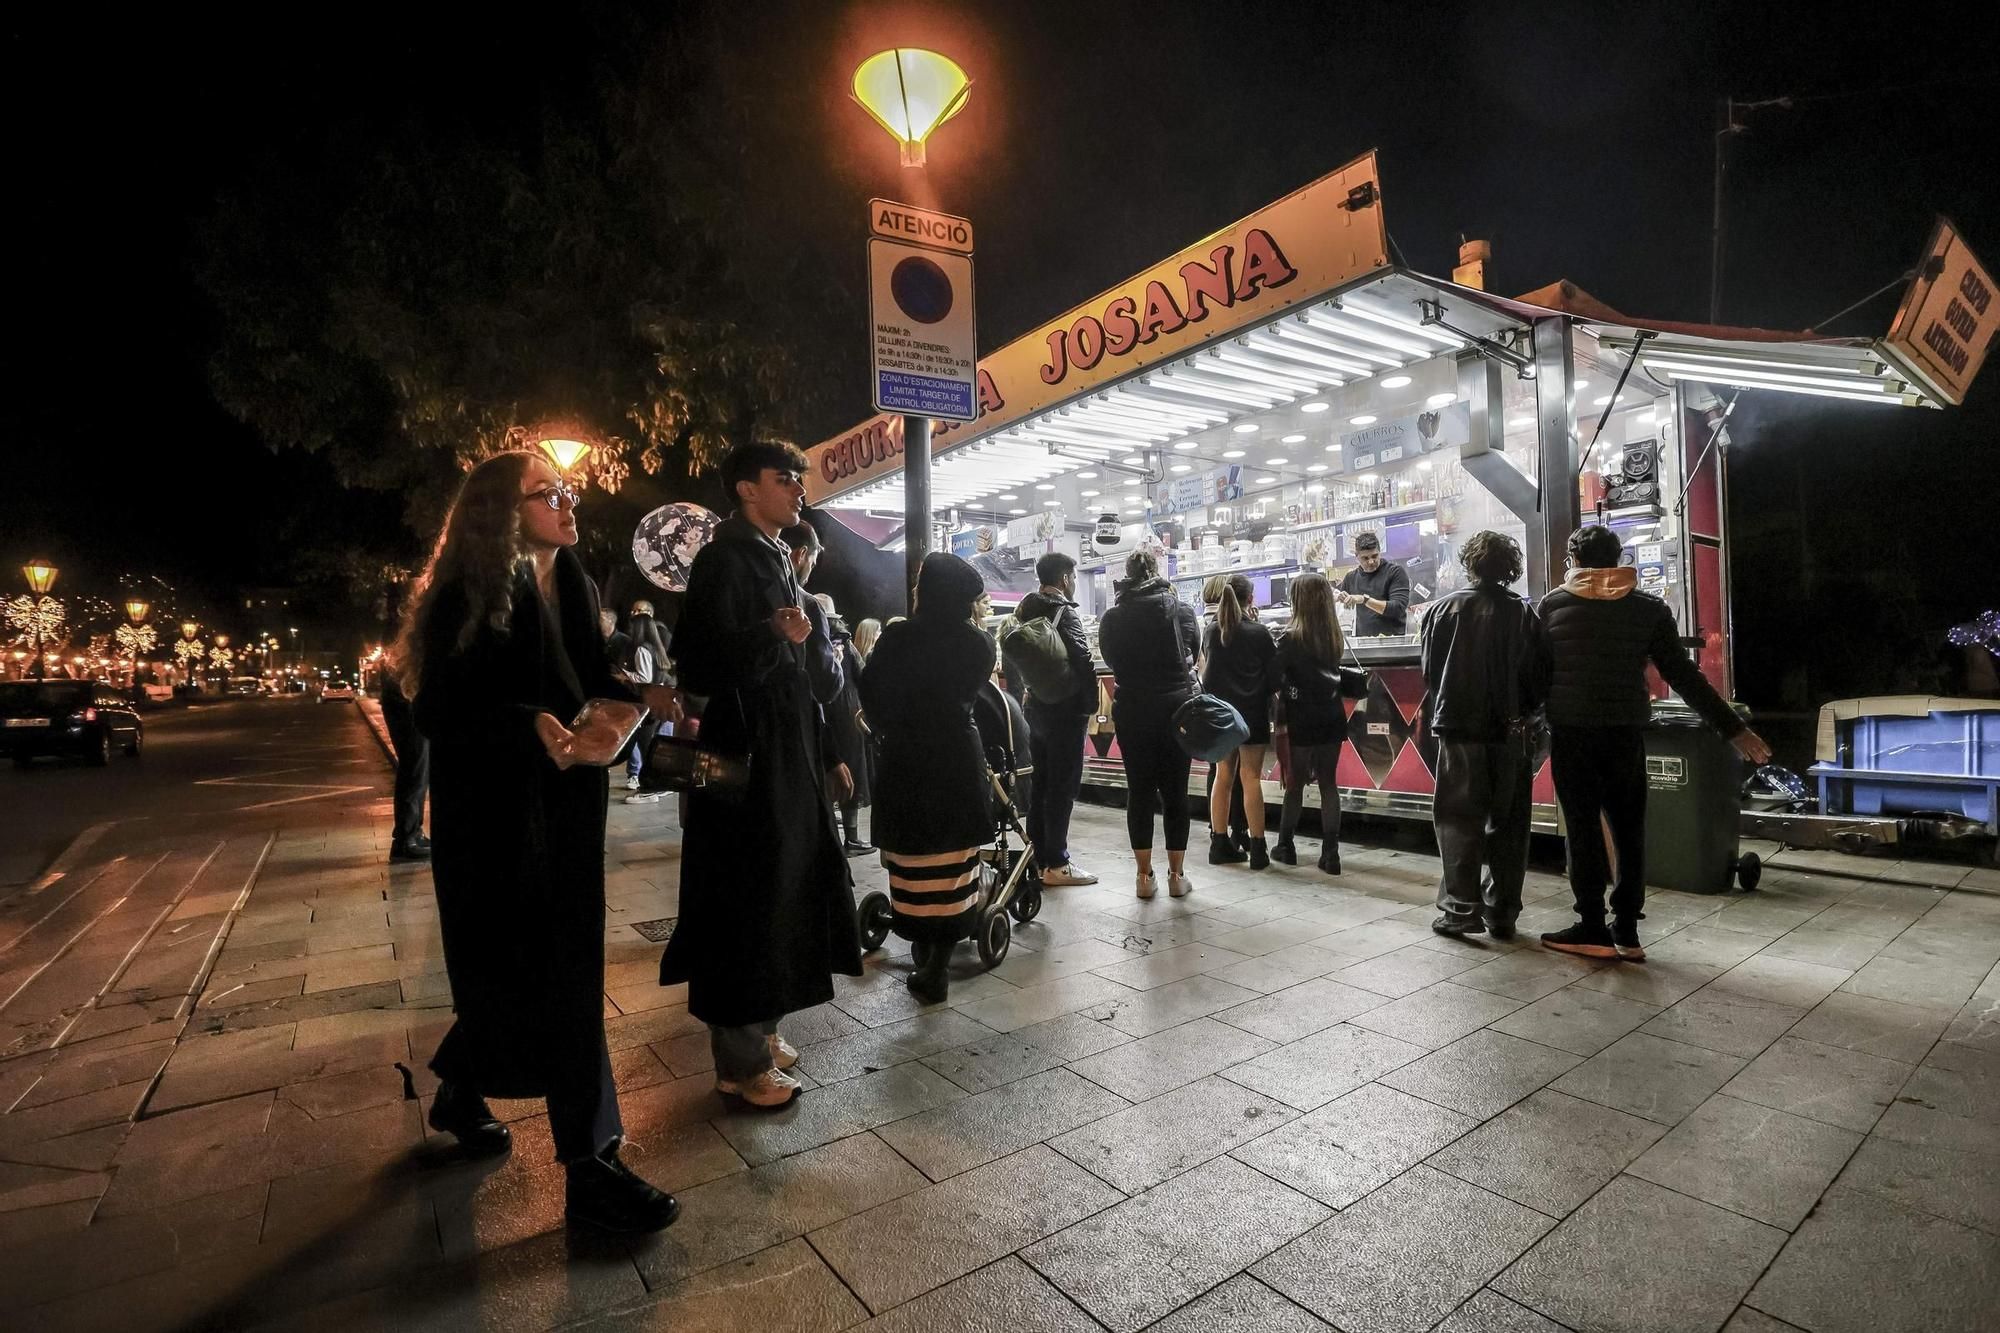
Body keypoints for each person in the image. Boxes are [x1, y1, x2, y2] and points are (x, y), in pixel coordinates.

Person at [396, 450, 683, 1233]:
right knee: (543, 976)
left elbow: (593, 678)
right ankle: (592, 1168)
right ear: (500, 509)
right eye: (544, 492)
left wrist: (637, 703)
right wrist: (526, 724)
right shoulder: (469, 589)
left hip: (567, 812)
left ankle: (462, 1088)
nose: (565, 501)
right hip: (492, 823)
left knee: (549, 972)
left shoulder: (578, 582)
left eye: (567, 490)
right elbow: (437, 711)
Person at [662, 441, 863, 1110]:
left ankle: (763, 1030)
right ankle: (740, 1060)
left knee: (783, 886)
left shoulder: (777, 557)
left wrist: (804, 643)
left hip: (784, 751)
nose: (799, 489)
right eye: (786, 479)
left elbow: (813, 666)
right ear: (748, 490)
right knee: (744, 894)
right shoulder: (724, 559)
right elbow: (698, 667)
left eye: (800, 479)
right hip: (745, 756)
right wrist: (770, 634)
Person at [1538, 525, 1772, 961]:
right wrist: (1732, 727)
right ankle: (1626, 929)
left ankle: (1591, 927)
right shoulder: (1647, 608)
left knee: (1584, 830)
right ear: (1619, 558)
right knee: (1629, 830)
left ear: (1573, 561)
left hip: (1573, 734)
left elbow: (1536, 676)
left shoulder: (1552, 605)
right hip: (1626, 734)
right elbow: (1684, 677)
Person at [861, 554, 997, 1002]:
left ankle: (924, 951)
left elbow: (873, 698)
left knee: (914, 861)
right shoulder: (979, 645)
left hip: (907, 762)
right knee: (954, 862)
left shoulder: (898, 637)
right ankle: (937, 962)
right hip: (957, 759)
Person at [1421, 530, 1548, 941]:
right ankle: (1503, 911)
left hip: (1458, 728)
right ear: (1509, 568)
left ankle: (1460, 910)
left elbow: (1430, 673)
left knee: (1459, 818)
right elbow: (1537, 677)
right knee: (1510, 825)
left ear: (1469, 564)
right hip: (1511, 731)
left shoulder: (1442, 610)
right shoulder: (1525, 614)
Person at [1098, 548, 1201, 900]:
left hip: (1133, 709)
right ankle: (1177, 875)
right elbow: (1193, 653)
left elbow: (1110, 660)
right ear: (1158, 571)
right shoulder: (1182, 610)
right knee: (1176, 792)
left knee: (1139, 791)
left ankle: (1144, 877)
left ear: (1127, 575)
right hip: (1177, 710)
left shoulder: (1113, 617)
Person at [1014, 552, 1099, 888]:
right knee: (1062, 787)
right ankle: (1057, 863)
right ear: (1065, 578)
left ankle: (1035, 859)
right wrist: (1090, 703)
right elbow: (1082, 657)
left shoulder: (1025, 610)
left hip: (1035, 706)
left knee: (1041, 785)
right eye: (1074, 577)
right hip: (1066, 710)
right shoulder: (1063, 611)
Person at [1202, 573, 1280, 868]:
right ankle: (1258, 848)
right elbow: (1274, 679)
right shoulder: (1259, 633)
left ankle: (1219, 843)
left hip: (1222, 716)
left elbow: (1206, 676)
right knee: (1251, 778)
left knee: (1223, 777)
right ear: (1250, 599)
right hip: (1253, 715)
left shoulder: (1212, 631)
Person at [1274, 573, 1350, 874]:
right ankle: (1331, 854)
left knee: (1295, 784)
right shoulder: (1334, 635)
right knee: (1329, 784)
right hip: (1331, 714)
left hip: (1301, 717)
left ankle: (1286, 845)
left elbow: (1272, 676)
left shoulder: (1291, 638)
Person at [1199, 575, 1252, 857]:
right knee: (1235, 773)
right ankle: (1236, 829)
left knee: (1218, 771)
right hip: (1235, 706)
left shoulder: (1205, 624)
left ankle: (1217, 828)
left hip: (1212, 703)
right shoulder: (1223, 624)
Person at [819, 592, 875, 854]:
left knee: (824, 771)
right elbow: (864, 677)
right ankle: (851, 838)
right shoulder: (844, 641)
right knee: (850, 770)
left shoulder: (810, 639)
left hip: (819, 713)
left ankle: (829, 837)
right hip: (847, 714)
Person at [377, 647, 431, 862]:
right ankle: (405, 840)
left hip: (405, 700)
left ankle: (413, 833)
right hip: (405, 702)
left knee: (418, 769)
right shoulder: (401, 625)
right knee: (414, 769)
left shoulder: (399, 624)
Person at [619, 601, 672, 804]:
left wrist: (625, 676)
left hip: (648, 706)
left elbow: (644, 676)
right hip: (659, 703)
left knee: (646, 746)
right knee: (653, 746)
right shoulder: (657, 648)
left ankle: (650, 787)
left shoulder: (641, 649)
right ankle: (659, 784)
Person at [1337, 532, 1411, 637]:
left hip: (1392, 643)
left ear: (1379, 552)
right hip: (1361, 643)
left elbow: (1397, 608)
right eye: (1365, 558)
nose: (1371, 561)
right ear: (1356, 557)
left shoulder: (1395, 572)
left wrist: (1364, 600)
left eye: (1374, 556)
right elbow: (1343, 612)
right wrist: (1340, 598)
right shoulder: (1350, 578)